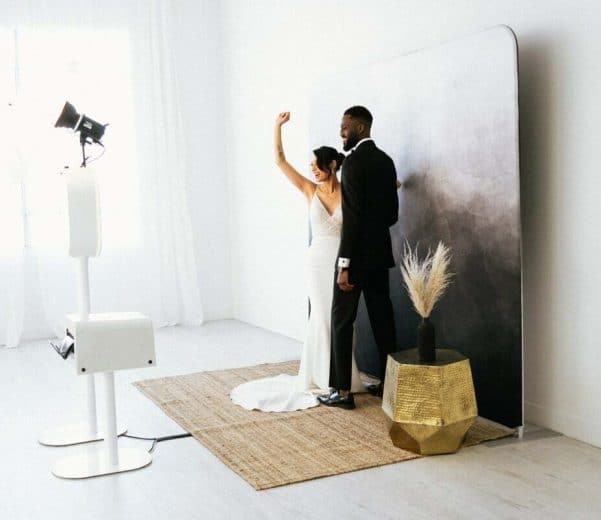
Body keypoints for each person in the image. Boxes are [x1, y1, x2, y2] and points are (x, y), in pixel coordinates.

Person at [229, 111, 364, 412]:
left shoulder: (349, 193)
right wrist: (277, 126)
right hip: (317, 261)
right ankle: (320, 377)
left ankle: (343, 379)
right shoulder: (309, 189)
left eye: (317, 166)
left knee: (341, 321)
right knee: (321, 315)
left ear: (332, 165)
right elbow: (279, 159)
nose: (313, 171)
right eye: (311, 168)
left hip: (342, 261)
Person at [318, 106, 399, 410]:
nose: (341, 133)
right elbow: (392, 215)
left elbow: (351, 220)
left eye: (345, 127)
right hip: (380, 257)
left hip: (355, 260)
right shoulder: (387, 162)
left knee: (341, 320)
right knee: (383, 322)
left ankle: (341, 392)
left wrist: (344, 265)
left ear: (361, 128)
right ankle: (391, 386)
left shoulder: (352, 164)